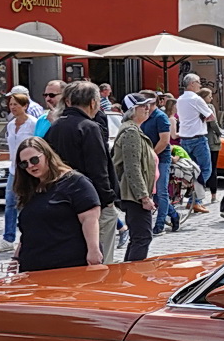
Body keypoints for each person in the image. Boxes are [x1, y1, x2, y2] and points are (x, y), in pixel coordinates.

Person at [44, 80, 119, 261]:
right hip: (92, 201)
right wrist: (108, 198)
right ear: (93, 103)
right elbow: (98, 168)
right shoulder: (89, 127)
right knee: (101, 255)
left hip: (63, 198)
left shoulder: (55, 127)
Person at [11, 137, 101, 273]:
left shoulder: (75, 182)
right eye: (24, 164)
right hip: (33, 268)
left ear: (47, 155)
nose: (30, 166)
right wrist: (16, 258)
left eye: (34, 160)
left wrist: (94, 251)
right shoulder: (30, 188)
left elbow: (90, 219)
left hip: (69, 266)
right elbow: (29, 231)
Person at [111, 94, 159, 261]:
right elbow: (132, 167)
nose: (147, 109)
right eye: (142, 106)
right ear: (131, 111)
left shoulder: (135, 129)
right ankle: (133, 278)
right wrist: (143, 197)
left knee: (139, 238)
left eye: (148, 105)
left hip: (136, 194)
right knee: (142, 238)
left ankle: (130, 274)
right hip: (134, 195)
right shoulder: (131, 132)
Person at [0, 92, 37, 254]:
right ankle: (8, 238)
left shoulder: (32, 124)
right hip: (14, 169)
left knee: (27, 203)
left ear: (25, 106)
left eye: (16, 105)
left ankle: (29, 235)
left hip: (28, 169)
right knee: (10, 203)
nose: (13, 107)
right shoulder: (11, 124)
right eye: (11, 104)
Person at [174, 74, 214, 212]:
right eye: (198, 82)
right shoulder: (196, 99)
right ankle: (195, 200)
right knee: (205, 169)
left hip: (184, 138)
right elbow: (211, 116)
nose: (200, 85)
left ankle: (193, 199)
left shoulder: (179, 99)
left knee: (190, 171)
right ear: (191, 84)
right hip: (198, 138)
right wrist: (201, 118)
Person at [141, 88, 176, 234]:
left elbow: (164, 141)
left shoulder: (160, 117)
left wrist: (152, 154)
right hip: (147, 158)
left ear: (151, 102)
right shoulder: (142, 116)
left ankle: (159, 225)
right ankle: (174, 214)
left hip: (161, 158)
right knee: (153, 193)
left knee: (161, 192)